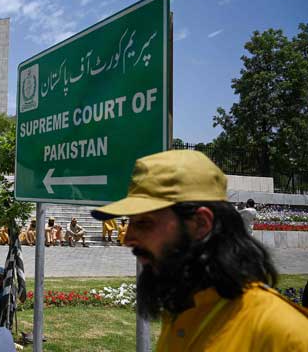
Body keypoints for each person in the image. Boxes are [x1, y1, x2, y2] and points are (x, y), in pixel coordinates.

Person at [91, 150, 308, 350]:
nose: (128, 238)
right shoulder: (185, 309)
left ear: (201, 224)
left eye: (144, 223)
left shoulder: (284, 334)